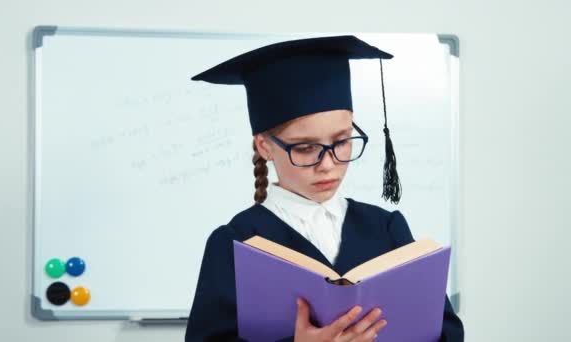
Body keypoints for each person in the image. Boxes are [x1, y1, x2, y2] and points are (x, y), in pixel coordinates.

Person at [184, 35, 464, 342]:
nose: (328, 164)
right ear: (264, 146)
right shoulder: (236, 241)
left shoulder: (386, 229)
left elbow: (444, 332)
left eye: (342, 142)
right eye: (305, 148)